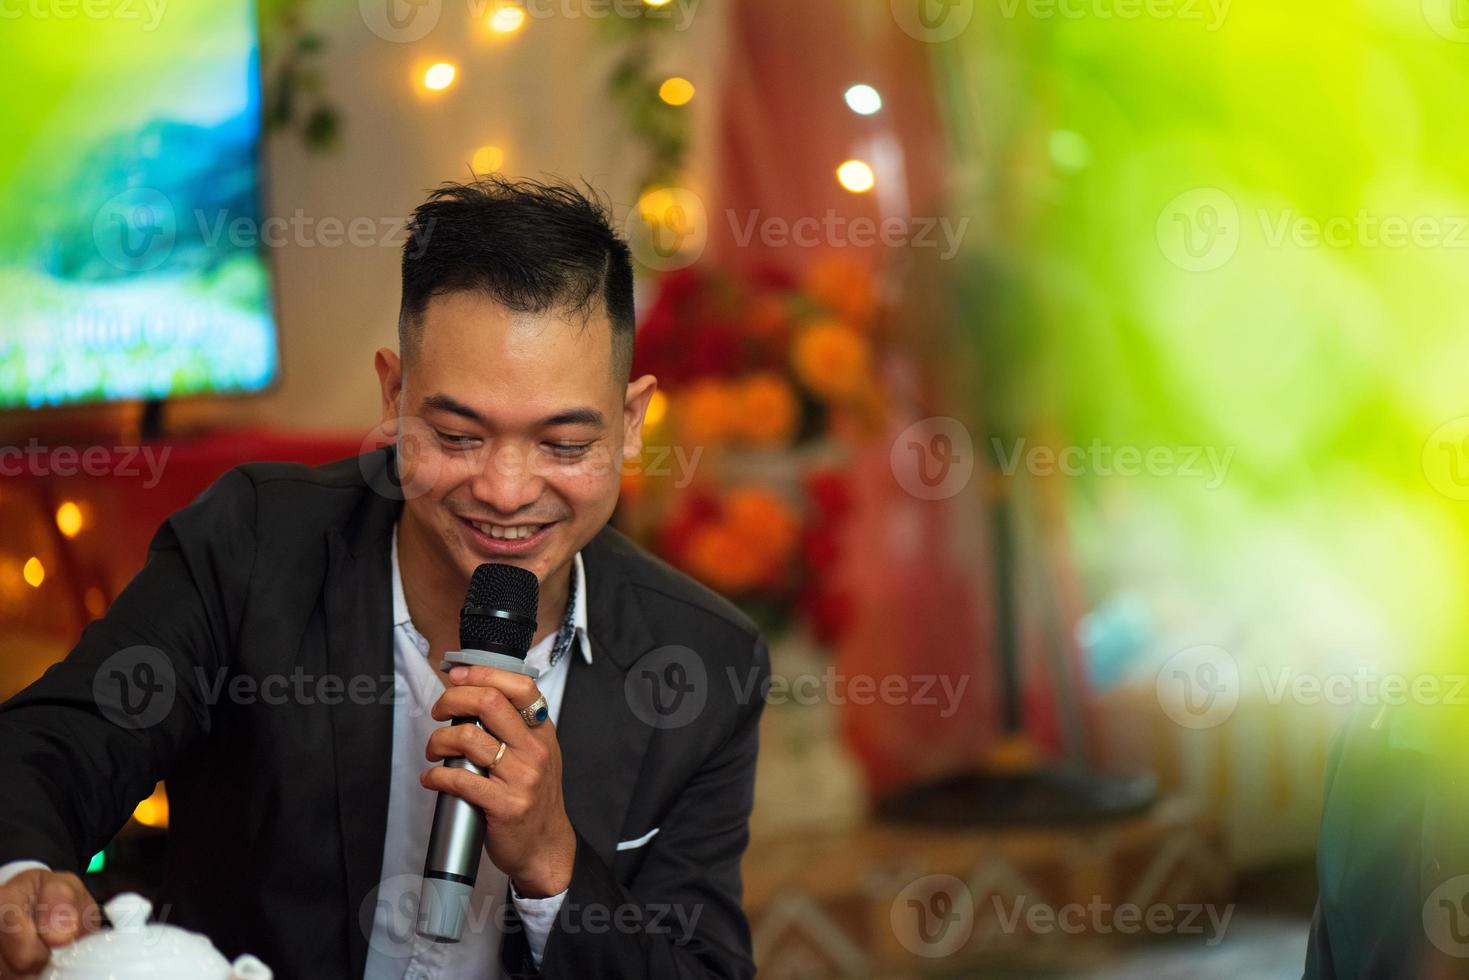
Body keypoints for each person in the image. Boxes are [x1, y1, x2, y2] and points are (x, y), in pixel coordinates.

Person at [0, 177, 770, 980]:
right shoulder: (256, 545)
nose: (506, 490)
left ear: (632, 422)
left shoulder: (703, 660)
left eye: (563, 445)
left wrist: (553, 866)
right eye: (457, 434)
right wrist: (22, 881)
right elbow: (54, 743)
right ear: (395, 397)